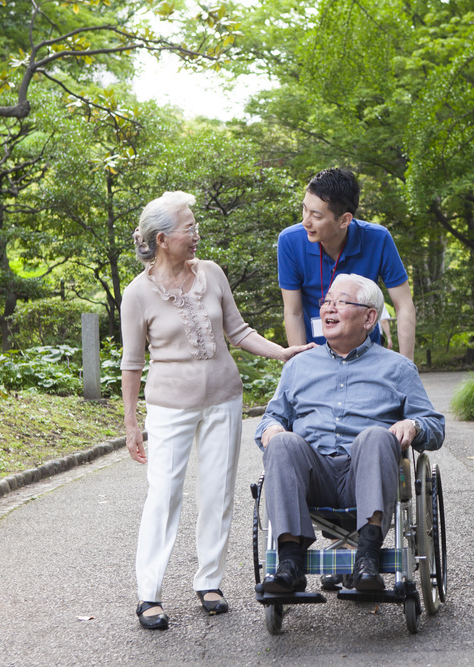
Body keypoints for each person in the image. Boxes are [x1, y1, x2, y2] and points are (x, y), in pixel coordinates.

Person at [121, 191, 313, 631]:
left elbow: (239, 330)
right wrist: (131, 423)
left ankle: (210, 582)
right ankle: (149, 593)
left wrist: (281, 353)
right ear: (163, 238)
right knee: (164, 496)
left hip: (224, 399)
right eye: (189, 228)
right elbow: (132, 363)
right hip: (169, 407)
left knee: (217, 495)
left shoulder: (212, 274)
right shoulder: (137, 294)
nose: (196, 234)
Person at [255, 274, 444, 593]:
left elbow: (435, 426)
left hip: (368, 473)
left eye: (340, 302)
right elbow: (273, 415)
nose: (328, 309)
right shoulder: (298, 366)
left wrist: (413, 425)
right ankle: (289, 564)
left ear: (370, 317)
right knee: (284, 441)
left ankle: (367, 559)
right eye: (326, 302)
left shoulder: (397, 368)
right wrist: (270, 427)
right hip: (313, 476)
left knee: (375, 435)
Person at [277, 168, 417, 360]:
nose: (305, 222)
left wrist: (407, 366)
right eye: (304, 209)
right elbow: (293, 312)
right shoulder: (290, 241)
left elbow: (404, 305)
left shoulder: (378, 238)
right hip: (316, 356)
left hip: (368, 355)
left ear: (345, 220)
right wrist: (301, 368)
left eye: (316, 216)